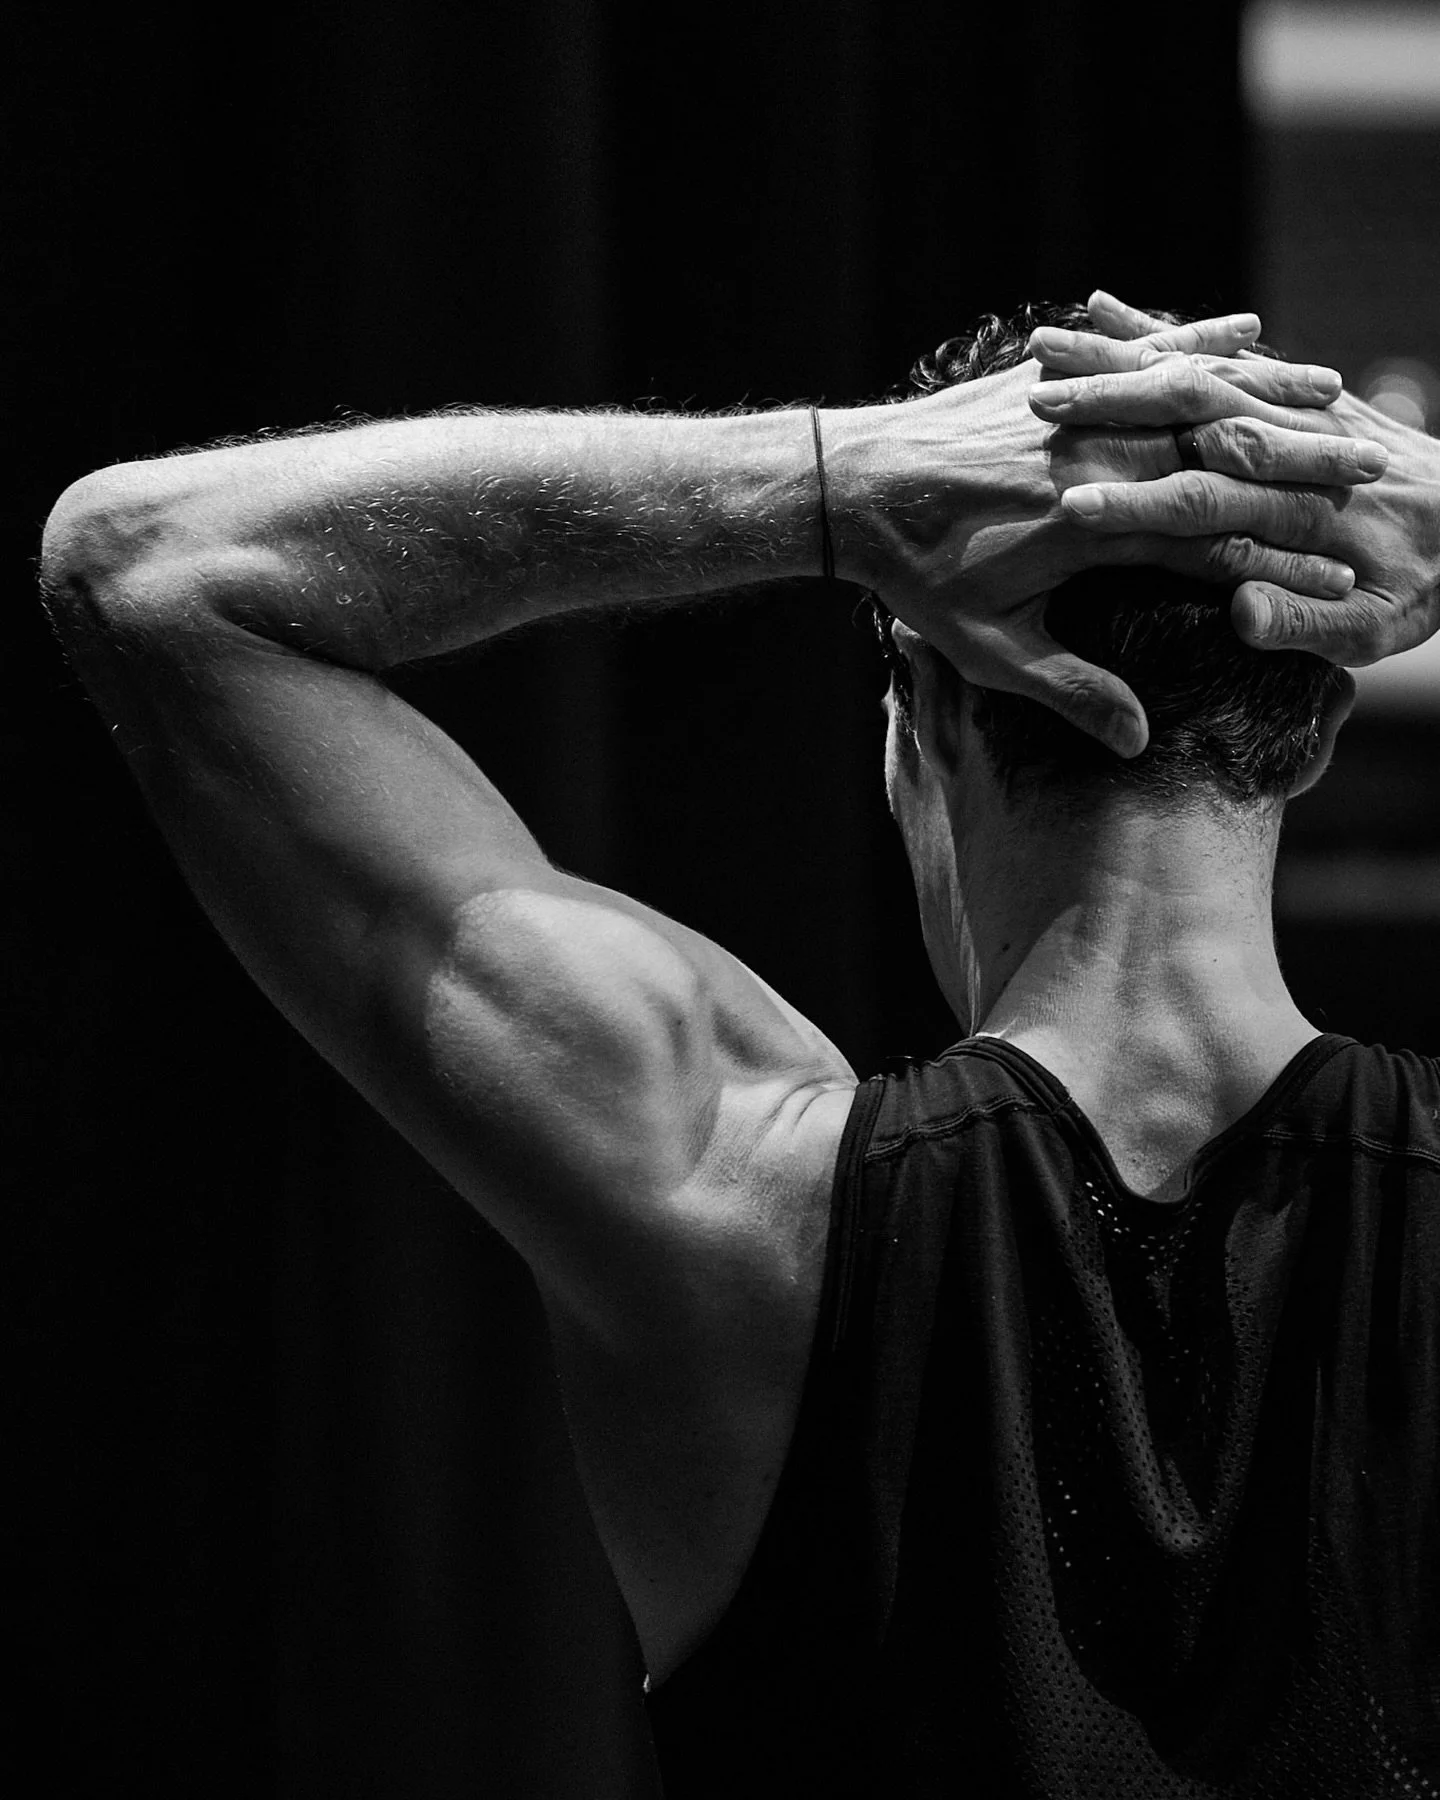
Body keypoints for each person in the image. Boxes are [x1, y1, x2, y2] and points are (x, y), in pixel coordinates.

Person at [39, 290, 1439, 1796]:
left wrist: (836, 483)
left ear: (925, 715)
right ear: (1314, 721)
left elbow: (147, 571)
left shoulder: (734, 1193)